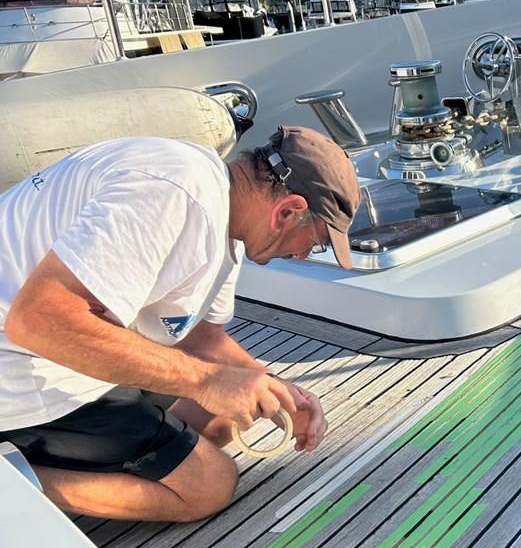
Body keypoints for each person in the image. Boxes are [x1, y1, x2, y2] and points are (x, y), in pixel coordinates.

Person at [0, 125, 361, 523]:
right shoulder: (171, 194)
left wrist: (280, 393)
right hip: (17, 375)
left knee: (225, 418)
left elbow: (203, 340)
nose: (305, 253)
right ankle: (12, 481)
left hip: (51, 352)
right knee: (208, 483)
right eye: (318, 241)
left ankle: (109, 464)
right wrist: (208, 382)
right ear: (288, 211)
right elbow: (37, 320)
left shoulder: (221, 214)